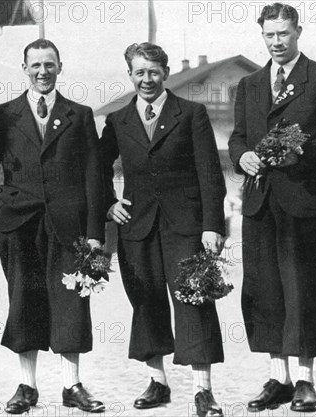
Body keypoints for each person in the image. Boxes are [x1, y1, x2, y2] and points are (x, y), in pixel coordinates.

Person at [228, 3, 316, 413]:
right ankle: (278, 378)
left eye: (283, 34)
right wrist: (242, 157)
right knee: (265, 290)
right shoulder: (250, 84)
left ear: (298, 32)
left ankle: (305, 381)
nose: (276, 42)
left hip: (304, 202)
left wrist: (304, 151)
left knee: (303, 289)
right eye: (269, 35)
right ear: (262, 35)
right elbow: (237, 138)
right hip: (259, 203)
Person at [0, 39, 106, 414]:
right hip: (19, 223)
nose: (42, 72)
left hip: (70, 226)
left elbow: (94, 176)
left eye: (49, 65)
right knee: (23, 300)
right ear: (24, 68)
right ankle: (27, 387)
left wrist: (95, 232)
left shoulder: (79, 115)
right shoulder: (2, 115)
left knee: (71, 303)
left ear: (60, 67)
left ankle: (72, 386)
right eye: (35, 65)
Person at [99, 42, 227, 417]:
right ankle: (158, 381)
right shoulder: (118, 121)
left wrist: (211, 226)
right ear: (130, 75)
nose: (147, 79)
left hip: (185, 227)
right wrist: (109, 202)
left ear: (166, 73)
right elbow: (96, 168)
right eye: (139, 72)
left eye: (153, 72)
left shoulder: (191, 114)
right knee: (145, 301)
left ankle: (203, 391)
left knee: (194, 301)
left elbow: (209, 173)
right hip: (136, 228)